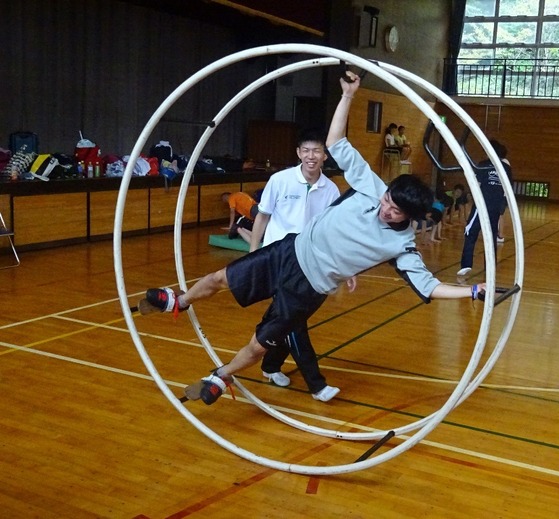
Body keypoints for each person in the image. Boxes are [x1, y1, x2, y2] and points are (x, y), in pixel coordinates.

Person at [138, 71, 487, 406]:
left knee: (260, 345)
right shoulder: (372, 186)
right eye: (387, 201)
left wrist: (470, 291)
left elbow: (428, 287)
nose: (385, 210)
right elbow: (336, 142)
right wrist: (348, 95)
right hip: (288, 253)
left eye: (395, 211)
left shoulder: (402, 245)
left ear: (409, 217)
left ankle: (221, 377)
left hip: (309, 289)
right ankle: (179, 302)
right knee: (219, 277)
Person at [248, 128, 342, 402]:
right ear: (299, 153)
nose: (311, 156)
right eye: (306, 150)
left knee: (285, 318)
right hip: (278, 258)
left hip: (309, 262)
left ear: (325, 155)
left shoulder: (331, 189)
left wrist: (340, 266)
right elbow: (262, 217)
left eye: (317, 151)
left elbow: (330, 230)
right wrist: (254, 254)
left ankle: (269, 364)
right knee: (293, 320)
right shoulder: (280, 180)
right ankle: (317, 385)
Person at [456, 140, 513, 277]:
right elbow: (508, 189)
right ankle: (490, 268)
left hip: (482, 205)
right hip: (495, 206)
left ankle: (466, 264)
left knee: (470, 233)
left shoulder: (482, 166)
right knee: (491, 237)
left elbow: (476, 184)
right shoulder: (506, 168)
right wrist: (502, 204)